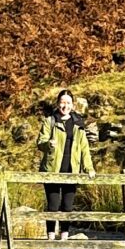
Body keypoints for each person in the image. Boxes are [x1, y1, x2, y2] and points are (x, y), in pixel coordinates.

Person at [37, 90, 95, 239]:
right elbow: (40, 143)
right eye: (62, 102)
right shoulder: (50, 121)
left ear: (73, 105)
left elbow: (84, 148)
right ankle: (50, 238)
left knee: (67, 207)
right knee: (53, 206)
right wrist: (48, 144)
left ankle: (64, 237)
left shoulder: (78, 124)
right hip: (52, 170)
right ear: (57, 103)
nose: (65, 106)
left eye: (68, 103)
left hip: (72, 170)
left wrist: (89, 168)